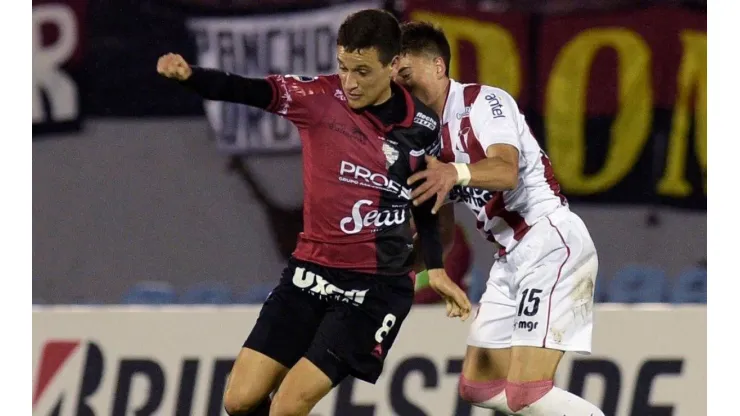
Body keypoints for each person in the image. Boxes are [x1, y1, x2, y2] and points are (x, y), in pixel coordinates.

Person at [157, 9, 471, 416]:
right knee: (239, 401)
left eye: (362, 70)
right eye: (343, 67)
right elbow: (246, 89)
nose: (350, 82)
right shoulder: (319, 98)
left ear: (393, 65)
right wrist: (191, 76)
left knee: (286, 407)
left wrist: (438, 266)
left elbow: (426, 201)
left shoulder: (423, 126)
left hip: (374, 290)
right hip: (310, 274)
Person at [396, 21, 604, 416]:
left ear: (439, 67)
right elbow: (441, 230)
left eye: (407, 74)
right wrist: (398, 270)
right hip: (510, 258)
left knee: (527, 392)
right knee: (478, 386)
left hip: (548, 241)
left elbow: (506, 171)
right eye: (396, 79)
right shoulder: (425, 137)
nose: (401, 87)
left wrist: (453, 172)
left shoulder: (482, 103)